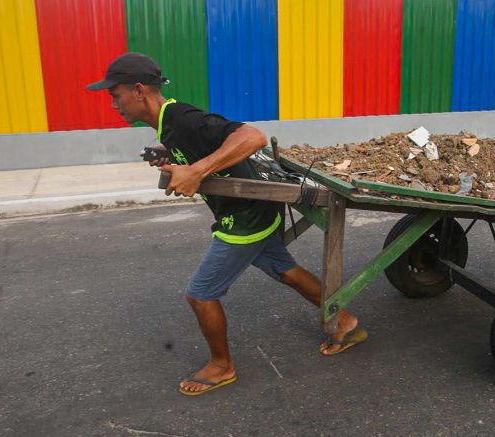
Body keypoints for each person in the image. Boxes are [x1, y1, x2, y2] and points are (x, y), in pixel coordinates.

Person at [87, 53, 366, 396]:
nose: (113, 104)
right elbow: (194, 150)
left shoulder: (182, 118)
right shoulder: (168, 126)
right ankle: (345, 322)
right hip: (254, 211)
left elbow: (253, 136)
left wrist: (197, 170)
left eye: (115, 95)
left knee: (201, 294)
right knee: (285, 270)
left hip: (245, 218)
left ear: (139, 90)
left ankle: (221, 366)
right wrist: (171, 159)